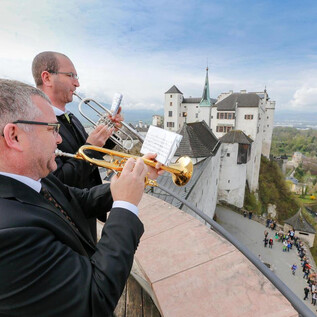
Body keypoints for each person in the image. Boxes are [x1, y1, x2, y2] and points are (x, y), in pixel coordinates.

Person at [0, 79, 161, 316]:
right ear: (14, 136)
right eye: (51, 129)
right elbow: (93, 301)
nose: (58, 139)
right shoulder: (8, 234)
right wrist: (125, 207)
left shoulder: (33, 175)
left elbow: (79, 199)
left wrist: (131, 180)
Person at [32, 51, 124, 242]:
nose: (77, 83)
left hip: (86, 209)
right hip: (67, 218)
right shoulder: (39, 125)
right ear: (47, 77)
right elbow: (57, 181)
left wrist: (108, 133)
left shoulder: (71, 118)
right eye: (71, 75)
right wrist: (90, 146)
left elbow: (88, 157)